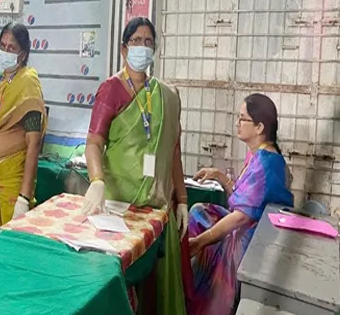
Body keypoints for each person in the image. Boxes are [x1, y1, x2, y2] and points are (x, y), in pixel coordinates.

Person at [81, 17, 188, 315]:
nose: (143, 47)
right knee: (122, 285)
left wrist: (182, 199)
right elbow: (94, 142)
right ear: (124, 49)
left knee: (153, 288)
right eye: (136, 41)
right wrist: (97, 181)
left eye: (148, 41)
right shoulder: (111, 90)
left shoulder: (167, 96)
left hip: (156, 208)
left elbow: (174, 150)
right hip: (119, 209)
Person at [188, 94, 293, 315]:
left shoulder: (266, 163)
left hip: (253, 241)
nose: (237, 123)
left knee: (203, 241)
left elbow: (241, 216)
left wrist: (201, 241)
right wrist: (218, 175)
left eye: (242, 118)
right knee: (199, 212)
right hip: (246, 228)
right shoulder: (257, 154)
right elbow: (243, 198)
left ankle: (205, 300)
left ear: (259, 127)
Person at [0, 22, 47, 238]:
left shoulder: (28, 83)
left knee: (7, 244)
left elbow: (34, 143)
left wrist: (24, 198)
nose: (5, 51)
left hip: (11, 180)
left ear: (23, 53)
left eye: (11, 47)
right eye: (2, 46)